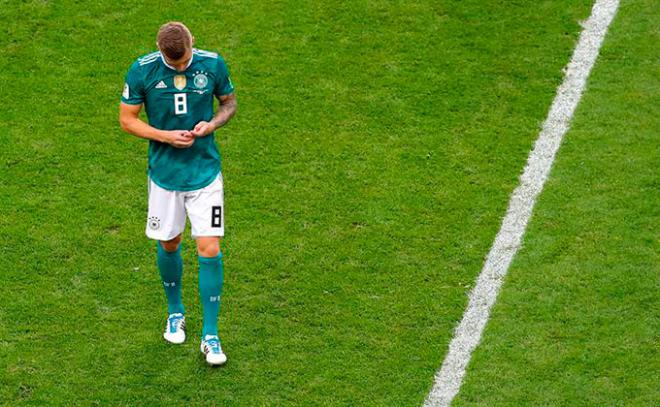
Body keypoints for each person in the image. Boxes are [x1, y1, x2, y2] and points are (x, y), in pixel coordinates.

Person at [119, 21, 237, 366]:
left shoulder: (213, 63)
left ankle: (211, 335)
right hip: (165, 176)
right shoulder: (142, 71)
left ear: (192, 43)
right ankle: (175, 312)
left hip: (205, 173)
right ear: (160, 51)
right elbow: (127, 119)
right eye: (175, 64)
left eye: (185, 60)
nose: (182, 67)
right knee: (169, 243)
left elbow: (229, 103)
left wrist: (213, 124)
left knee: (209, 247)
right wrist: (164, 136)